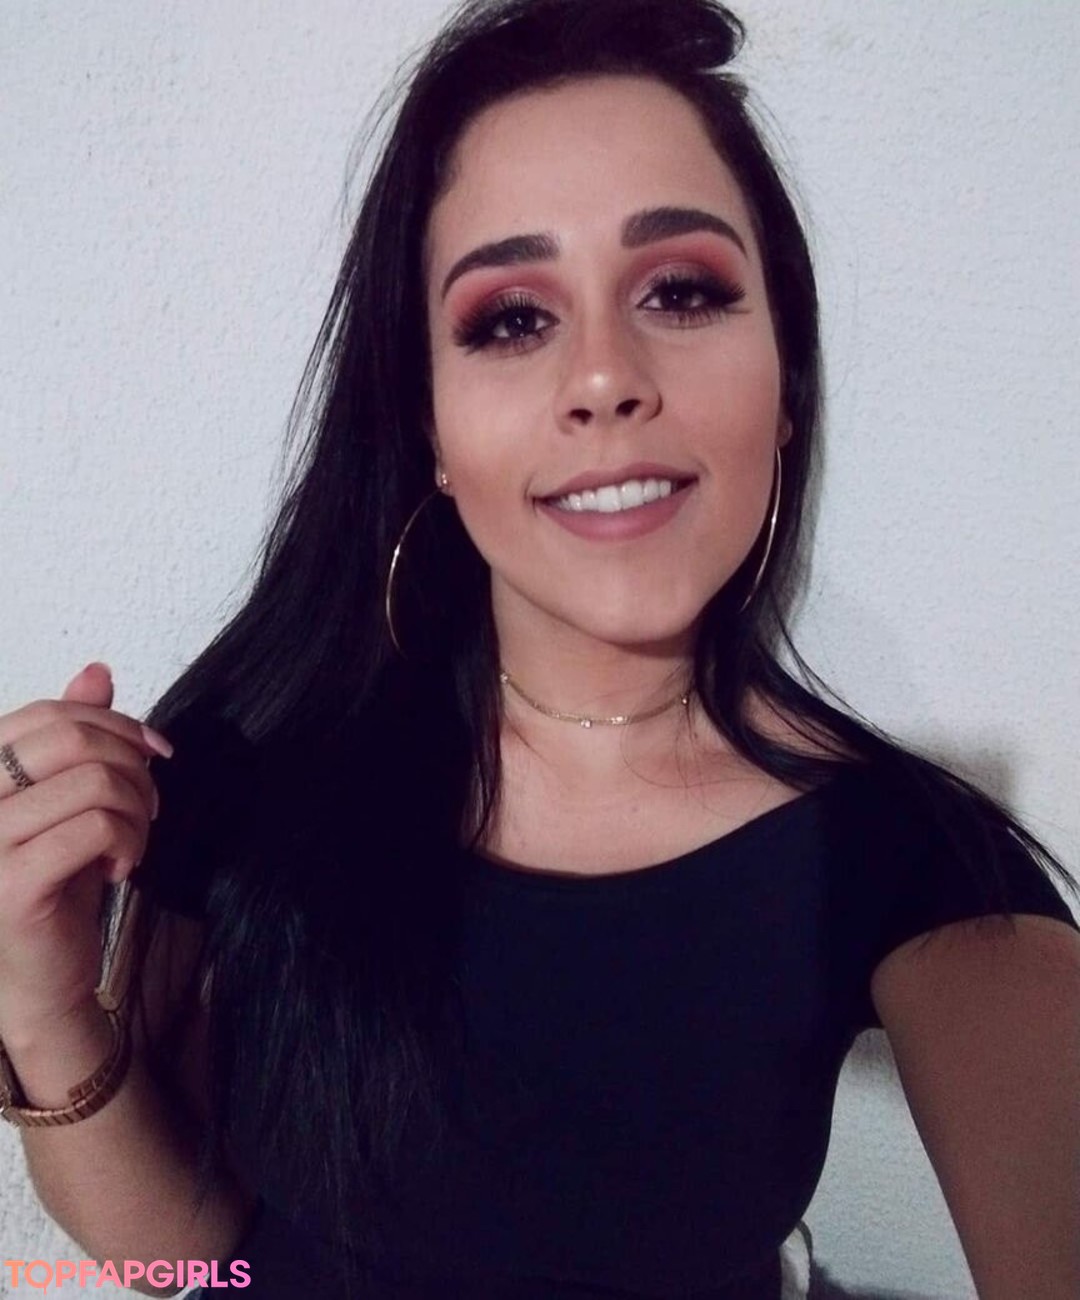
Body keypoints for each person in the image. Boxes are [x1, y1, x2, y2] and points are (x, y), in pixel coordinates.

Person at [1, 1, 1077, 1297]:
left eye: (681, 291)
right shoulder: (251, 750)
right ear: (430, 427)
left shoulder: (908, 864)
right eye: (512, 319)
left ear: (786, 381)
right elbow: (187, 1260)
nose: (603, 377)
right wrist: (43, 1010)